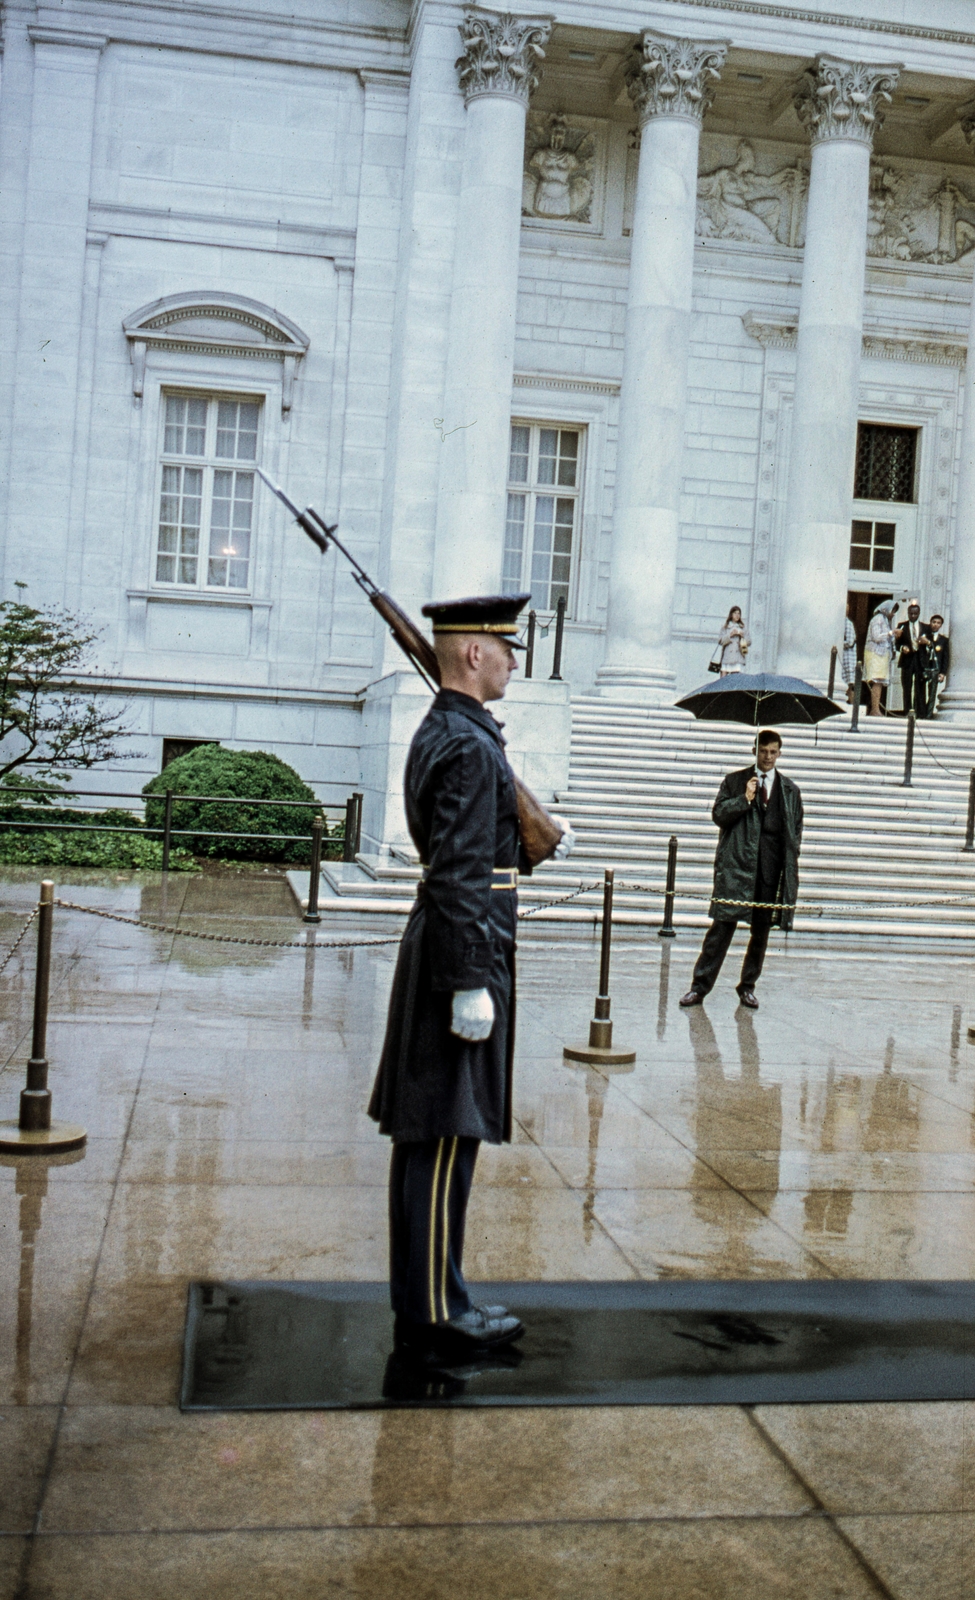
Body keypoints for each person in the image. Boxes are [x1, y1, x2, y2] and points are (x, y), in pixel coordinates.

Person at [368, 593, 573, 1358]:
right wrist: (468, 982)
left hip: (464, 939)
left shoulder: (459, 734)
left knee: (437, 1139)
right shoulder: (463, 743)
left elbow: (478, 852)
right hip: (463, 948)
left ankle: (437, 1294)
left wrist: (531, 835)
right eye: (506, 646)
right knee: (444, 1134)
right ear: (472, 654)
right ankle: (433, 1313)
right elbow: (456, 873)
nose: (515, 661)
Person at [679, 729, 803, 1012]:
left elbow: (795, 832)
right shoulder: (735, 781)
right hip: (738, 868)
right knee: (721, 929)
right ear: (754, 750)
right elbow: (718, 815)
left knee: (761, 933)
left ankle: (747, 987)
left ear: (780, 754)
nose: (768, 757)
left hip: (769, 873)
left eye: (773, 752)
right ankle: (699, 987)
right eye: (763, 751)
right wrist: (744, 799)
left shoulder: (790, 790)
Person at [863, 599, 898, 716]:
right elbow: (876, 636)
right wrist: (891, 633)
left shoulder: (885, 621)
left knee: (879, 682)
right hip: (875, 654)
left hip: (882, 655)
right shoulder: (878, 619)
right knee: (876, 681)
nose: (893, 614)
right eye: (893, 611)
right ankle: (874, 709)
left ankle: (876, 708)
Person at [895, 597, 928, 717]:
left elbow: (930, 645)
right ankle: (907, 711)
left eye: (915, 613)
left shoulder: (925, 627)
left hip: (920, 661)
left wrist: (925, 642)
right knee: (907, 687)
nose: (913, 616)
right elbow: (896, 644)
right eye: (911, 613)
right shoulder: (902, 626)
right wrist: (902, 648)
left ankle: (920, 713)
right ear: (908, 613)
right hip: (907, 660)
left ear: (919, 613)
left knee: (920, 687)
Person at [923, 613, 950, 717]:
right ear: (930, 623)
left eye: (938, 623)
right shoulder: (925, 637)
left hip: (935, 668)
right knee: (921, 691)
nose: (935, 625)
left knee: (932, 692)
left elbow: (945, 657)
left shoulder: (943, 640)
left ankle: (928, 714)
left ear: (941, 625)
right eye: (934, 622)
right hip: (925, 667)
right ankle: (920, 711)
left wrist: (943, 672)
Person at [715, 606, 751, 676]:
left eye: (739, 613)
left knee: (735, 682)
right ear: (731, 614)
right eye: (735, 613)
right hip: (727, 658)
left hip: (738, 658)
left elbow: (749, 642)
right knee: (723, 682)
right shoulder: (725, 627)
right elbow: (720, 641)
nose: (737, 615)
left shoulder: (743, 628)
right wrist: (730, 635)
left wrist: (742, 636)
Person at [841, 603, 857, 705]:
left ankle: (853, 705)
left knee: (849, 685)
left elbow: (850, 642)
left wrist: (838, 643)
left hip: (848, 659)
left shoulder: (848, 623)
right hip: (842, 658)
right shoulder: (840, 623)